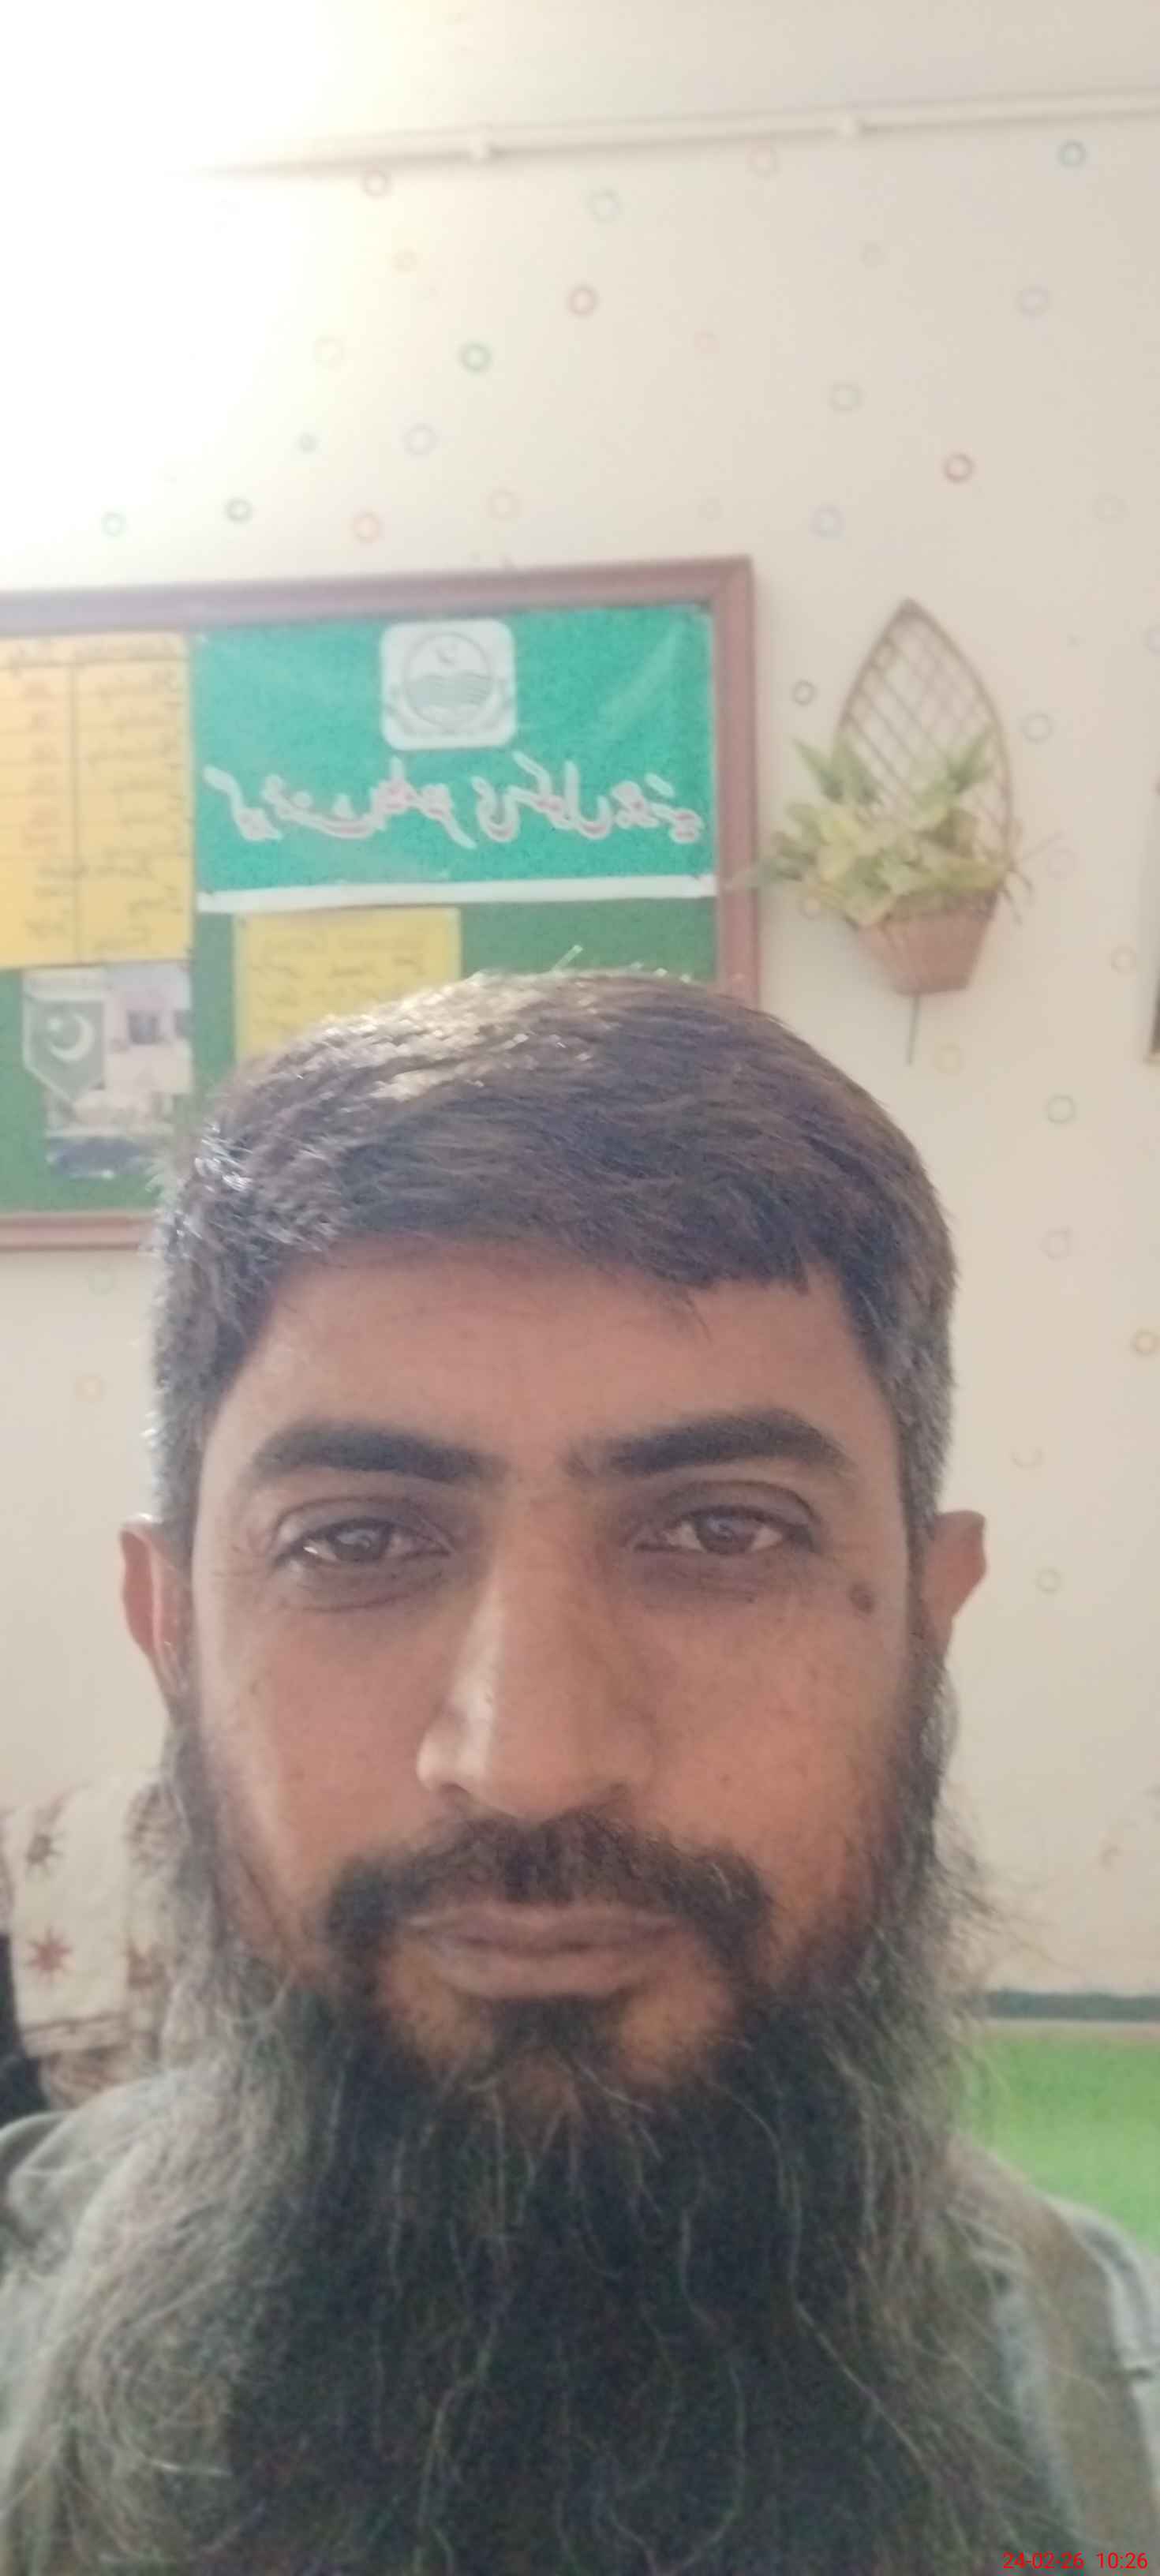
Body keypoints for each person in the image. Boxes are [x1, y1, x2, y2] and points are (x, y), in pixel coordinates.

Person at [0, 969, 1155, 2576]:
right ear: (170, 1628)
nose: (529, 1765)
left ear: (924, 1618)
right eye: (357, 1541)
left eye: (724, 1531)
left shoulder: (1114, 2437)